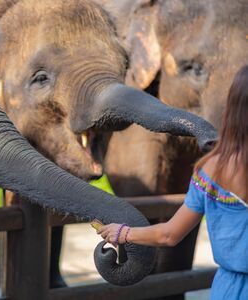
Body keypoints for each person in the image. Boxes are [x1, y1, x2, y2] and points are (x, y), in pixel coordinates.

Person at [95, 65, 248, 299]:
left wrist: (123, 233)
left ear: (233, 110)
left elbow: (169, 235)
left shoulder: (210, 169)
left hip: (229, 290)